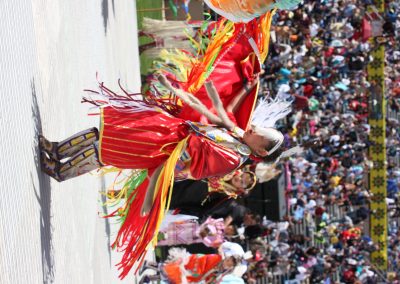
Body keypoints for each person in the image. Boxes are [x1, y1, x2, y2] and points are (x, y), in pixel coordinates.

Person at [39, 79, 288, 278]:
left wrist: (188, 138)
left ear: (262, 151)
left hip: (162, 150)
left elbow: (196, 166)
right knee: (102, 134)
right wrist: (245, 87)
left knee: (106, 150)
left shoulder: (234, 158)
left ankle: (60, 171)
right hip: (165, 132)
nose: (254, 128)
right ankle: (57, 150)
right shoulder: (238, 140)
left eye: (260, 133)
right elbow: (226, 112)